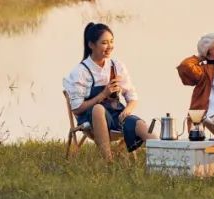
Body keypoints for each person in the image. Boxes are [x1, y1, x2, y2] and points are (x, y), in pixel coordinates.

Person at [63, 22, 153, 160]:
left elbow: (132, 96)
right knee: (98, 108)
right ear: (91, 45)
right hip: (90, 120)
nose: (110, 46)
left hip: (117, 115)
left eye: (111, 41)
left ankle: (168, 162)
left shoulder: (116, 66)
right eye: (104, 43)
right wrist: (103, 94)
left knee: (143, 128)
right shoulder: (80, 72)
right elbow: (77, 109)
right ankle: (108, 162)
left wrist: (127, 111)